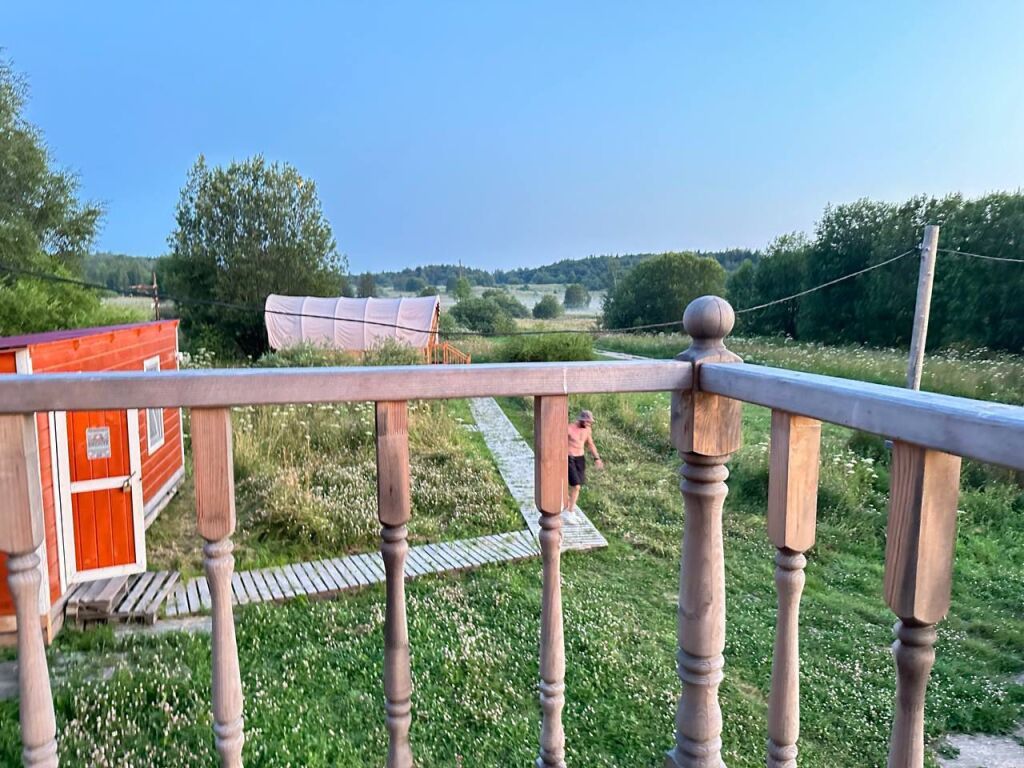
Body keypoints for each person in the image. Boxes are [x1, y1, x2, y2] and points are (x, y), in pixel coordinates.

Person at [566, 409, 603, 513]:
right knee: (576, 486)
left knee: (578, 484)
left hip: (580, 459)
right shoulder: (569, 428)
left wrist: (597, 458)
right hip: (570, 458)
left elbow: (590, 444)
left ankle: (569, 503)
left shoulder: (587, 429)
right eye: (587, 422)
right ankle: (570, 511)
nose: (588, 424)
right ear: (581, 420)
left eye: (590, 422)